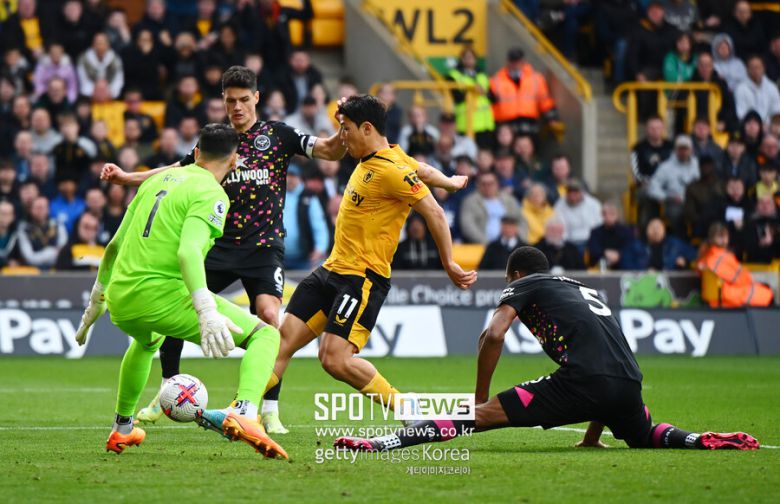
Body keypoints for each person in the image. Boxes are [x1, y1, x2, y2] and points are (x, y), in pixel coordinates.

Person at [100, 66, 347, 427]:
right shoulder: (217, 142)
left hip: (263, 247)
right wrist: (128, 178)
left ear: (256, 98)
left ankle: (268, 409)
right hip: (217, 244)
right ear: (223, 101)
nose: (237, 107)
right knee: (176, 308)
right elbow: (175, 170)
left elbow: (329, 150)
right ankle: (168, 390)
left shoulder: (278, 135)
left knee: (269, 319)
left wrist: (342, 127)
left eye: (244, 100)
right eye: (231, 101)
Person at [332, 248, 760, 453]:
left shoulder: (525, 284)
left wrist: (479, 397)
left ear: (515, 275)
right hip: (628, 383)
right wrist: (591, 438)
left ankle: (382, 443)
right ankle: (698, 439)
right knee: (644, 436)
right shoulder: (581, 288)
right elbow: (606, 358)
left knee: (475, 418)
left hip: (583, 382)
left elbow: (493, 335)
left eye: (508, 280)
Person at [261, 95, 476, 434]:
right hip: (330, 270)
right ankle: (249, 411)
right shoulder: (389, 157)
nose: (341, 137)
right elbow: (422, 169)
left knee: (333, 359)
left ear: (366, 129)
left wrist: (449, 262)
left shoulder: (391, 171)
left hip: (360, 279)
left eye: (345, 129)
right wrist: (449, 180)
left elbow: (434, 211)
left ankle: (404, 405)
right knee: (280, 341)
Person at [73, 123, 287, 459]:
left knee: (147, 342)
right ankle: (245, 412)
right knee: (266, 336)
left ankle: (122, 428)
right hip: (161, 296)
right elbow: (188, 252)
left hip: (121, 298)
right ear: (233, 162)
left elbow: (113, 246)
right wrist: (206, 311)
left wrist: (95, 302)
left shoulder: (156, 180)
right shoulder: (212, 193)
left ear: (196, 153)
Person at [490, 48, 562, 138]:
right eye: (513, 61)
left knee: (528, 145)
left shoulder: (536, 78)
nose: (515, 64)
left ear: (523, 61)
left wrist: (552, 118)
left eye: (518, 61)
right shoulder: (496, 80)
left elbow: (545, 101)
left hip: (529, 123)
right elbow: (490, 103)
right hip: (506, 125)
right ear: (508, 62)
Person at [698, 222, 773, 307]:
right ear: (712, 238)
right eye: (721, 236)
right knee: (766, 293)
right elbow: (741, 279)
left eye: (724, 236)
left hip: (721, 295)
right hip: (727, 296)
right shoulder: (721, 257)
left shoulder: (706, 255)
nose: (724, 239)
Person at [446, 46, 495, 149]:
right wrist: (473, 90)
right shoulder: (454, 75)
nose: (469, 60)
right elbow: (457, 97)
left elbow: (493, 97)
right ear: (462, 59)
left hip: (484, 124)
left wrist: (484, 92)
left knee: (484, 153)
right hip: (465, 124)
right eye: (466, 57)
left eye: (471, 57)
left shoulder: (482, 75)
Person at [283, 164, 329, 270]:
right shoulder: (276, 195)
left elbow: (319, 225)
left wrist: (320, 248)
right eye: (287, 175)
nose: (290, 179)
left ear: (299, 177)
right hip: (279, 257)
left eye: (293, 176)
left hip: (304, 258)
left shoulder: (309, 196)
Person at [460, 171, 523, 245]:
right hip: (483, 245)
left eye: (491, 183)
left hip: (511, 244)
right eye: (484, 184)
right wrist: (487, 244)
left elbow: (521, 221)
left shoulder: (509, 200)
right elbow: (468, 226)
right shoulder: (470, 202)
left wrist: (517, 241)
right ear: (478, 185)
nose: (487, 187)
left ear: (497, 184)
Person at [620, 218, 696, 270]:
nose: (656, 231)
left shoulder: (674, 244)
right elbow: (625, 263)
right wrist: (644, 271)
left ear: (664, 230)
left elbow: (694, 255)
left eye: (659, 227)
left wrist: (685, 262)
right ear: (646, 230)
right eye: (652, 227)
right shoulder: (636, 245)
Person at [16, 195, 68, 270]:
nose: (40, 211)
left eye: (43, 207)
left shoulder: (58, 225)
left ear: (48, 209)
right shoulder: (24, 229)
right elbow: (29, 258)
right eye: (37, 207)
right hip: (33, 271)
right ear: (30, 210)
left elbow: (63, 253)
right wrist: (51, 252)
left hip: (57, 269)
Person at [586, 202, 634, 270]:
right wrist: (605, 252)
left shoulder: (626, 231)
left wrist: (619, 254)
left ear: (617, 215)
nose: (608, 216)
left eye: (612, 213)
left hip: (622, 265)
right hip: (600, 266)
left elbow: (630, 248)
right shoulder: (595, 232)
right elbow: (593, 249)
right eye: (605, 214)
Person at [734, 56, 780, 124]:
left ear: (763, 68)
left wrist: (771, 125)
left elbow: (777, 110)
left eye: (758, 67)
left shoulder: (772, 87)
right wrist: (758, 126)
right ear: (747, 70)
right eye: (752, 67)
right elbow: (741, 114)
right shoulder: (740, 88)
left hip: (770, 126)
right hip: (750, 126)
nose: (755, 70)